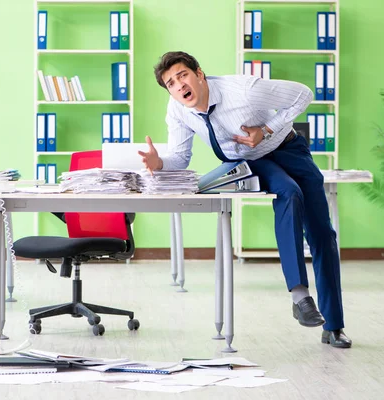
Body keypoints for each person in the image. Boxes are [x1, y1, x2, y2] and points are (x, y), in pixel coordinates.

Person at [138, 51, 351, 348]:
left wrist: (266, 129)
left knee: (322, 234)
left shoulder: (244, 90)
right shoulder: (177, 109)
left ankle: (334, 325)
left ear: (199, 73)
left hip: (288, 149)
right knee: (289, 192)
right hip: (251, 161)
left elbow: (304, 94)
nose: (179, 85)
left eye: (182, 75)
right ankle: (299, 294)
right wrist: (159, 163)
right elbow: (181, 157)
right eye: (171, 83)